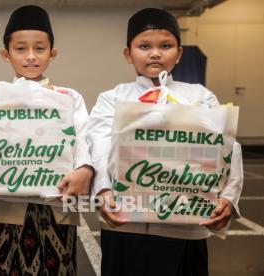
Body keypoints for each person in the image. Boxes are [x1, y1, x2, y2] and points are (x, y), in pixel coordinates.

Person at [87, 8, 243, 276]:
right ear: (128, 53)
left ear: (179, 53)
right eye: (144, 46)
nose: (155, 53)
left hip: (187, 228)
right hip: (126, 224)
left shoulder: (199, 96)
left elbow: (227, 147)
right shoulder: (113, 98)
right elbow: (98, 146)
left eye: (166, 46)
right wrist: (103, 191)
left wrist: (228, 197)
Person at [0, 5, 93, 275]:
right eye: (21, 49)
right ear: (6, 54)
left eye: (40, 48)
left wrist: (85, 168)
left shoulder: (69, 97)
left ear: (52, 53)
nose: (30, 57)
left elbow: (83, 138)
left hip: (56, 210)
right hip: (0, 209)